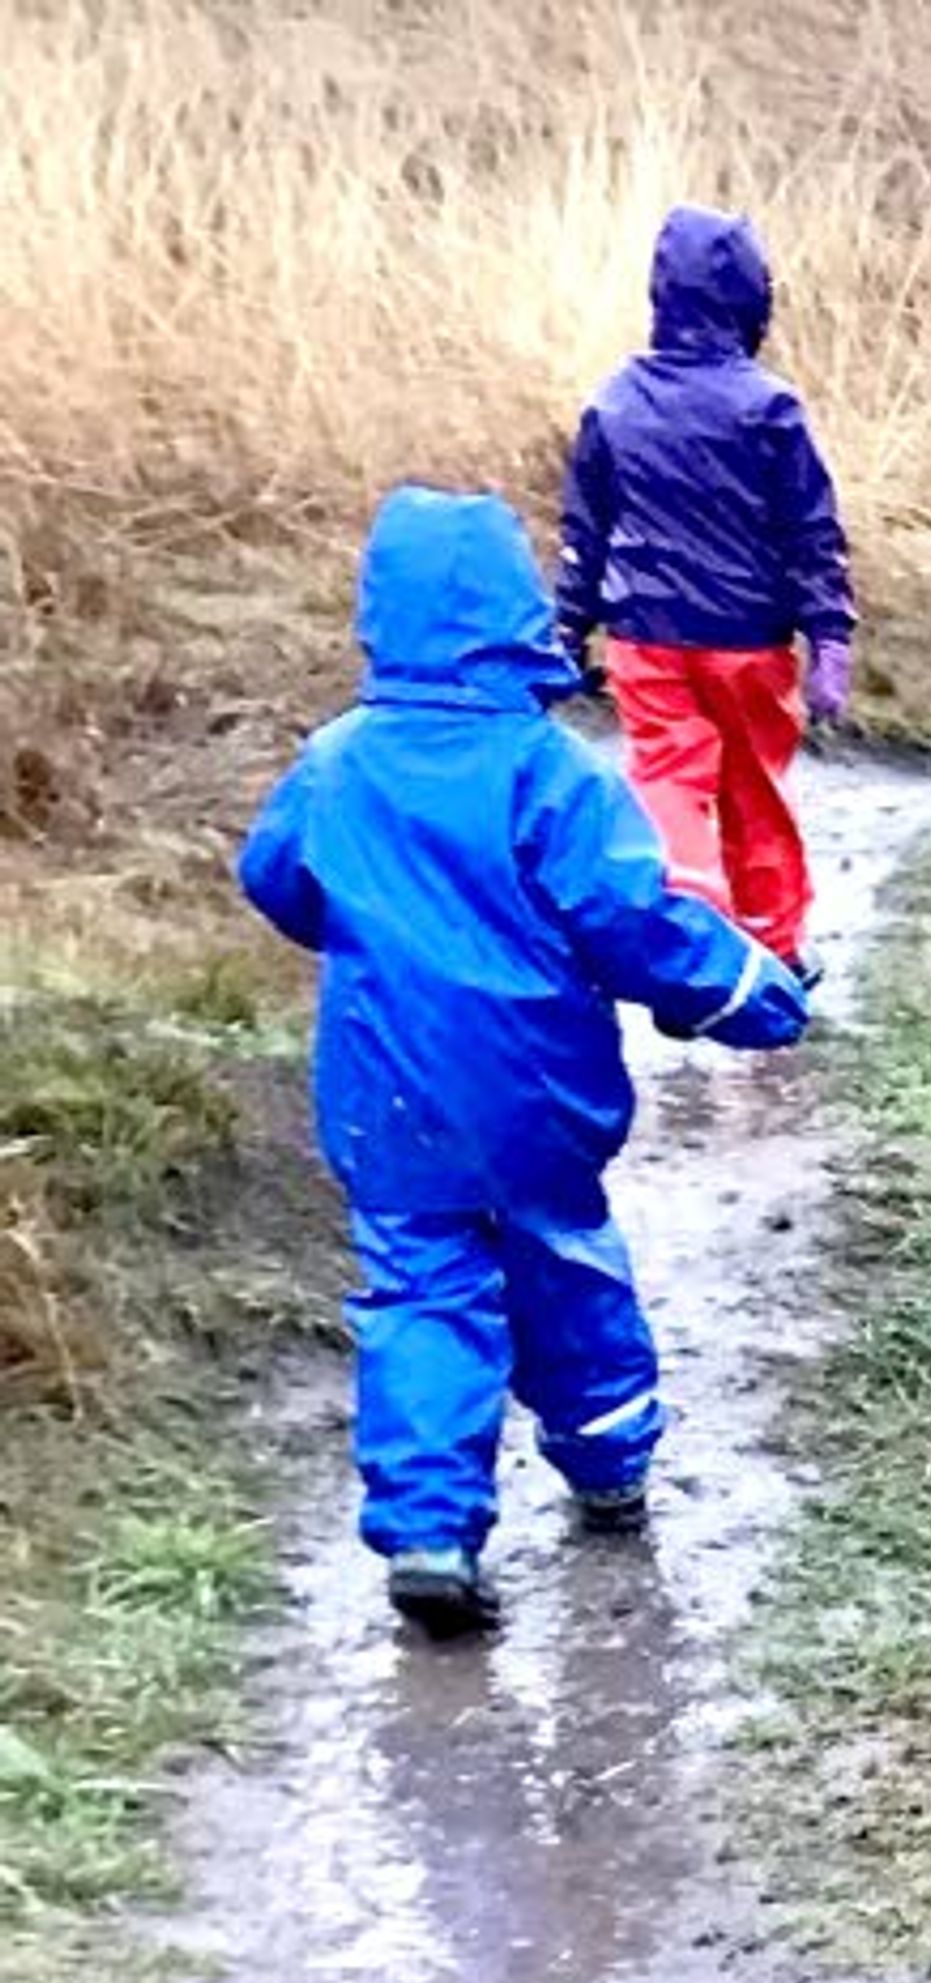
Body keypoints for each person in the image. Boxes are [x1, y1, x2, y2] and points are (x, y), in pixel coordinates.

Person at [237, 488, 812, 1641]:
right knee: (562, 1264)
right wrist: (752, 993)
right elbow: (629, 918)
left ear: (379, 615)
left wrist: (369, 928)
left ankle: (429, 1533)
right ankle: (607, 1461)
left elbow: (276, 878)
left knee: (419, 1291)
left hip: (385, 1090)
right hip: (533, 1093)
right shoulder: (543, 770)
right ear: (517, 613)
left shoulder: (337, 762)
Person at [558, 205, 855, 970]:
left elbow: (584, 531)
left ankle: (685, 933)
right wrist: (828, 637)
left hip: (644, 639)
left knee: (666, 776)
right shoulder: (770, 409)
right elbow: (810, 533)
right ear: (752, 300)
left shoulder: (616, 400)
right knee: (755, 793)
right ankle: (774, 950)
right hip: (747, 643)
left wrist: (566, 631)